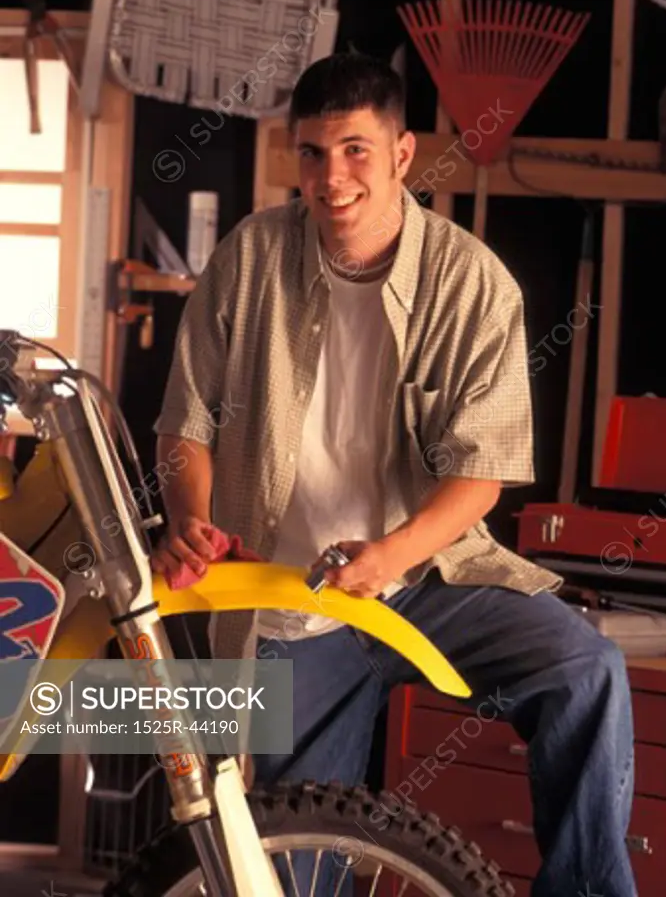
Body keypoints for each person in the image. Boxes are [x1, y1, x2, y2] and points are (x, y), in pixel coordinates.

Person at [152, 52, 637, 897]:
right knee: (290, 862)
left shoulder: (471, 280)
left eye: (354, 150)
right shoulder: (249, 256)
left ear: (402, 154)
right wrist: (190, 515)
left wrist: (391, 552)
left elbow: (482, 473)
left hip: (430, 577)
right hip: (288, 599)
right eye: (310, 153)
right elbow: (182, 427)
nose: (331, 177)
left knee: (585, 670)